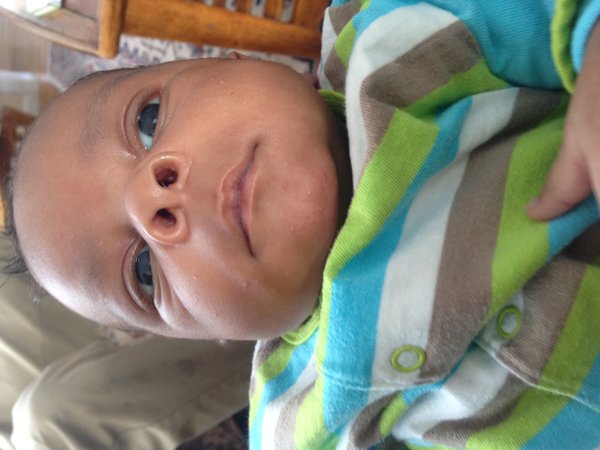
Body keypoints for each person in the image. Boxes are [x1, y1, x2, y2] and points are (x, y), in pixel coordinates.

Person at [3, 0, 600, 447]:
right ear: (215, 336)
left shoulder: (399, 38)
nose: (151, 203)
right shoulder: (296, 422)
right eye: (141, 271)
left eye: (149, 120)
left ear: (236, 63)